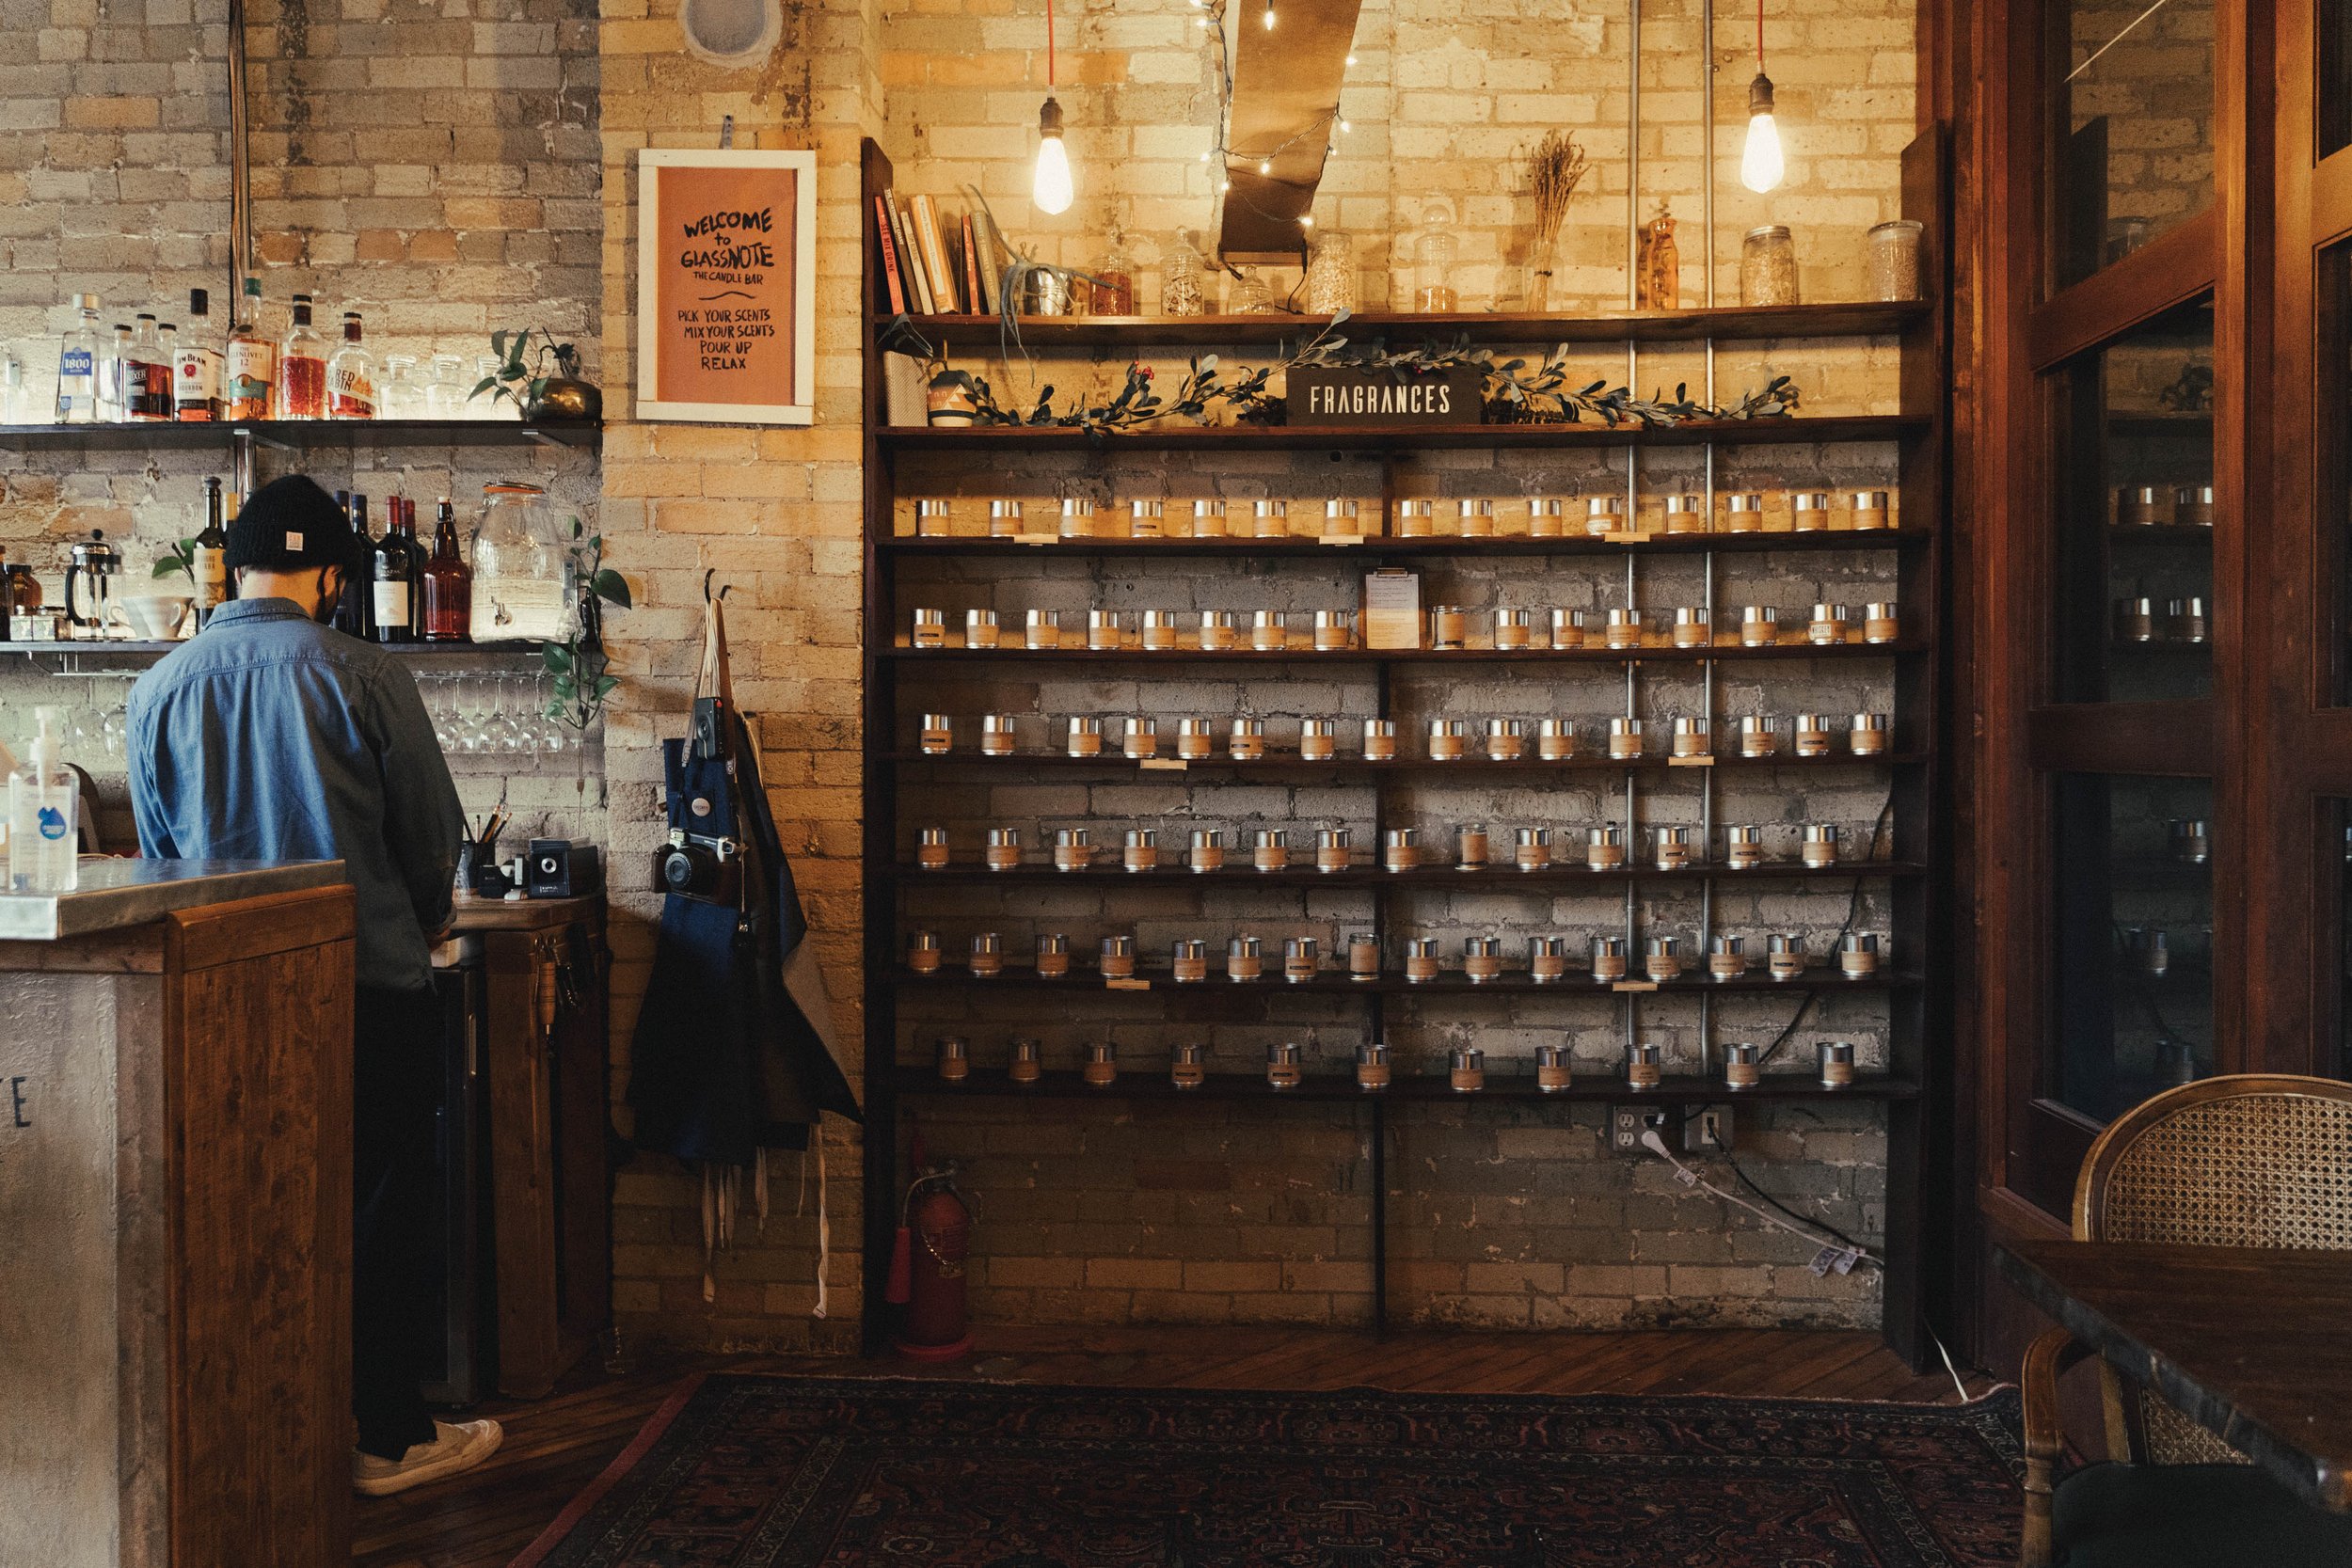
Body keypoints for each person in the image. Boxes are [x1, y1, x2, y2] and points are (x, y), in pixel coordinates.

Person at [125, 474, 500, 1498]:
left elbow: (161, 856)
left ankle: (261, 1435)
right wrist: (425, 924)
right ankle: (385, 1436)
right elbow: (431, 842)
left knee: (248, 1214)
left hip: (221, 1002)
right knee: (380, 1213)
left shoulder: (158, 687)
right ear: (334, 575)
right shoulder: (366, 673)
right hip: (366, 993)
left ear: (232, 569)